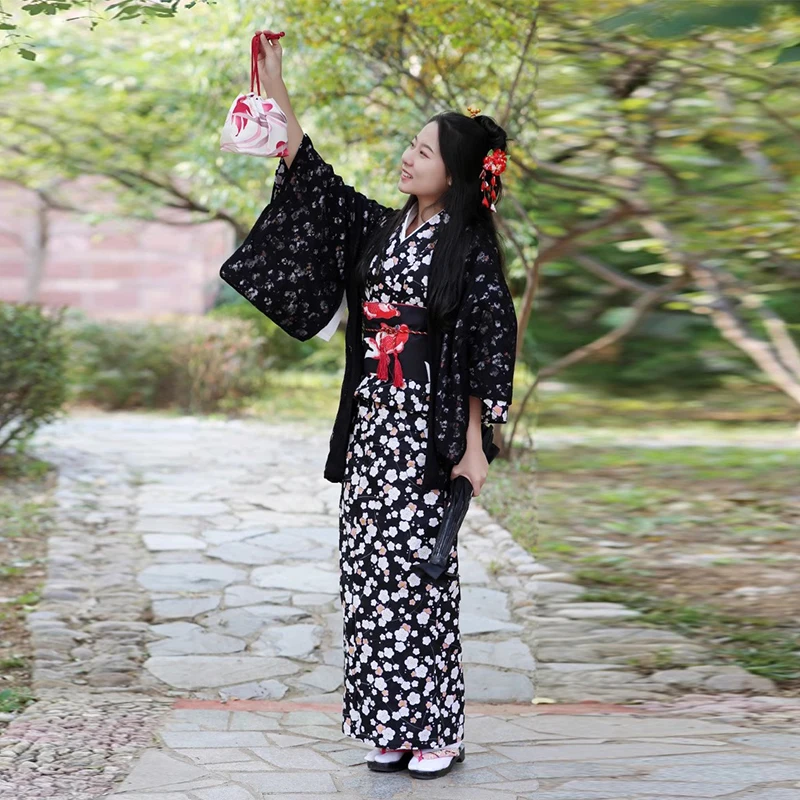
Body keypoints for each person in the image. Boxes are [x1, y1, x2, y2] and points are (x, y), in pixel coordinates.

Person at [219, 32, 518, 780]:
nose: (409, 157)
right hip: (372, 424)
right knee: (369, 572)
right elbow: (307, 174)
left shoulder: (469, 249)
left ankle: (436, 730)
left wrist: (474, 446)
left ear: (454, 170)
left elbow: (488, 343)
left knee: (421, 575)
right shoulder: (383, 226)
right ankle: (386, 724)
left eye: (423, 149)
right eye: (411, 147)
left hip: (428, 428)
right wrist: (276, 80)